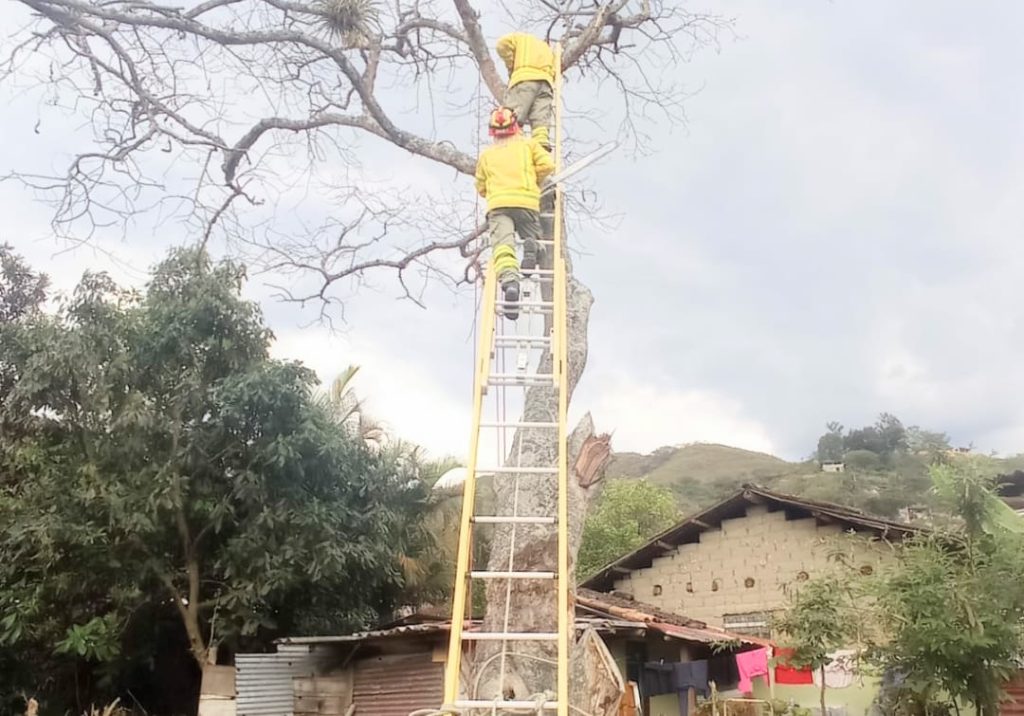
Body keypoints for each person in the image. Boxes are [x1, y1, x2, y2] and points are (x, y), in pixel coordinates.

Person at [475, 106, 555, 320]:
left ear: (492, 131)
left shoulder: (486, 155)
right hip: (527, 202)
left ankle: (511, 283)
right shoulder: (528, 145)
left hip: (499, 206)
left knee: (503, 246)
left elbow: (480, 188)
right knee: (534, 235)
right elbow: (548, 165)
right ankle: (532, 248)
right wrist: (533, 179)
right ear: (515, 126)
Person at [496, 32, 555, 150]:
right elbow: (555, 70)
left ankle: (509, 143)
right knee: (540, 116)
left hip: (524, 79)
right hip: (546, 83)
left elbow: (501, 45)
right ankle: (540, 144)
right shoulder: (548, 49)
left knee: (513, 115)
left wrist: (511, 64)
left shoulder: (520, 39)